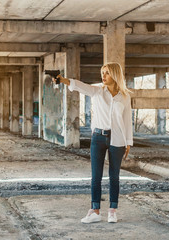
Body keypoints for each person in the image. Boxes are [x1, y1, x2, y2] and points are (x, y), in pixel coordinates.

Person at [53, 62, 133, 224]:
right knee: (96, 176)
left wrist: (128, 142)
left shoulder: (125, 96)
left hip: (117, 139)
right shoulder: (97, 91)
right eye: (102, 72)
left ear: (115, 75)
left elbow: (127, 120)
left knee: (114, 176)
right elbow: (80, 86)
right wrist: (63, 80)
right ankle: (95, 211)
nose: (103, 76)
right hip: (98, 138)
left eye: (107, 73)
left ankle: (112, 211)